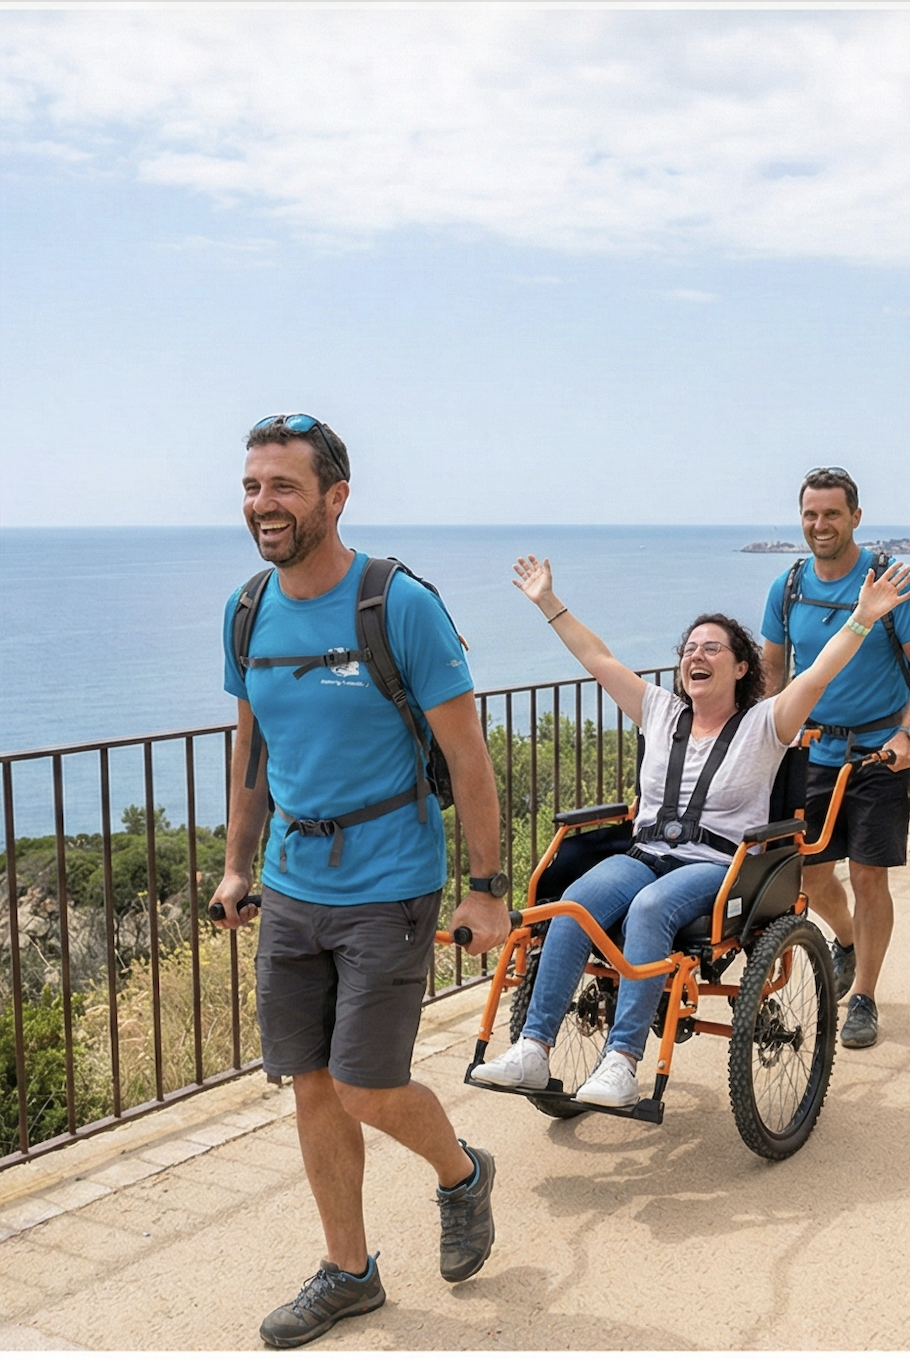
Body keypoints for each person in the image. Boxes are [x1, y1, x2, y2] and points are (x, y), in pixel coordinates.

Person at [209, 414, 511, 1349]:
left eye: (284, 487)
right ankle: (350, 1272)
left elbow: (468, 756)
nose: (265, 504)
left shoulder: (396, 605)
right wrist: (234, 864)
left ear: (335, 497)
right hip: (294, 884)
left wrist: (486, 885)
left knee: (365, 1086)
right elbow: (252, 744)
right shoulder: (248, 609)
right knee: (309, 1086)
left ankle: (461, 1174)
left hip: (391, 882)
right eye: (255, 486)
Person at [471, 550, 910, 1107]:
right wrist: (547, 601)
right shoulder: (658, 710)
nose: (695, 656)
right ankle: (533, 1049)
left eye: (712, 648)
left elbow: (821, 670)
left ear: (740, 668)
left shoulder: (766, 722)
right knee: (575, 902)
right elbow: (597, 657)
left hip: (718, 867)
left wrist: (862, 618)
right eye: (688, 649)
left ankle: (621, 1060)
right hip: (646, 853)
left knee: (651, 908)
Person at [760, 467, 910, 1049]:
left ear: (855, 517)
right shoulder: (787, 586)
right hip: (811, 748)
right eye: (811, 514)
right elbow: (771, 672)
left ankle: (863, 995)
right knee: (810, 875)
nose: (820, 525)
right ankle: (847, 940)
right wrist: (767, 738)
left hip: (876, 752)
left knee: (868, 874)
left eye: (832, 514)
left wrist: (908, 733)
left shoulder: (886, 582)